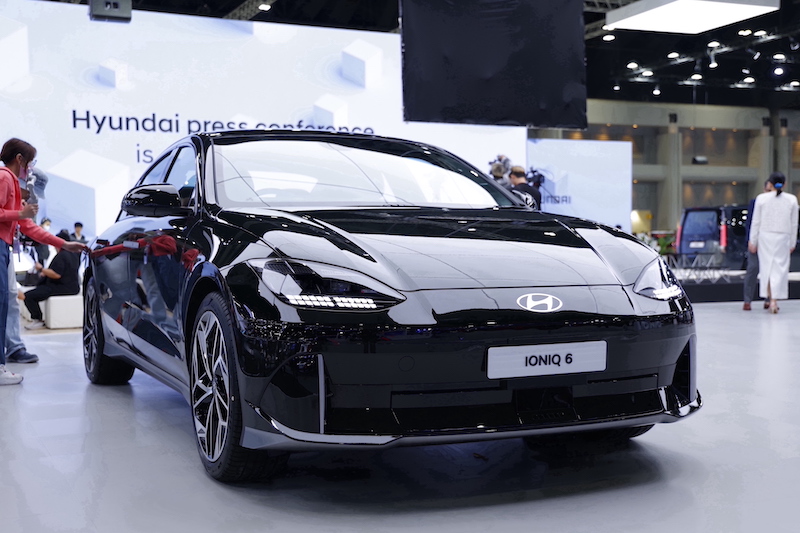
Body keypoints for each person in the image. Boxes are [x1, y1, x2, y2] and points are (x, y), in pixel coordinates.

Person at [0, 138, 85, 385]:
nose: (30, 167)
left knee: (5, 303)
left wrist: (63, 244)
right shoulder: (5, 177)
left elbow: (29, 227)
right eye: (30, 162)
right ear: (20, 159)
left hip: (4, 247)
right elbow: (21, 219)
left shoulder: (10, 183)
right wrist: (20, 212)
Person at [748, 171, 799, 314]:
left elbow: (756, 222)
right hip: (783, 237)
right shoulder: (792, 199)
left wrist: (753, 240)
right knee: (779, 269)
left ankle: (771, 299)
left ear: (769, 184)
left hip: (765, 236)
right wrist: (792, 243)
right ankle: (774, 300)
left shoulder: (761, 198)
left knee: (767, 269)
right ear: (784, 184)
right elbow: (794, 224)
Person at [23, 230, 81, 330]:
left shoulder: (62, 256)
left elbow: (56, 274)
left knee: (28, 296)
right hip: (73, 287)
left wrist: (41, 269)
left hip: (60, 287)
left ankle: (37, 319)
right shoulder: (74, 255)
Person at [742, 179, 774, 311]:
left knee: (770, 271)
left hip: (771, 242)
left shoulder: (777, 204)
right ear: (763, 189)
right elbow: (750, 223)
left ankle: (769, 299)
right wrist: (751, 241)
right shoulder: (755, 202)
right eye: (767, 190)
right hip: (756, 241)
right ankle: (747, 300)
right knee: (752, 269)